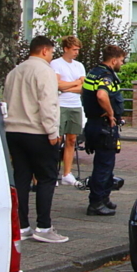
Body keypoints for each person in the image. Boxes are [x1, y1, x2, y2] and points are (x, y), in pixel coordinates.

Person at [5, 35, 68, 243]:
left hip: (14, 131)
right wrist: (53, 132)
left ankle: (22, 226)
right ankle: (43, 226)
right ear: (44, 51)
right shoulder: (45, 71)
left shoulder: (14, 72)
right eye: (51, 52)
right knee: (47, 178)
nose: (51, 56)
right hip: (38, 132)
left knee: (21, 178)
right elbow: (47, 103)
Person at [81, 45, 126, 216]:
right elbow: (101, 95)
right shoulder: (106, 76)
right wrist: (111, 113)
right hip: (103, 125)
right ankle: (96, 203)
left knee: (106, 164)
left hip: (93, 123)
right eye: (121, 60)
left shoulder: (93, 72)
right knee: (103, 165)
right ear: (114, 60)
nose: (122, 64)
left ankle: (104, 197)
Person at [50, 36, 86, 186]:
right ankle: (52, 173)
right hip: (61, 105)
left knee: (71, 139)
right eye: (74, 49)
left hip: (75, 105)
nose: (76, 52)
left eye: (78, 50)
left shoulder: (79, 66)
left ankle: (67, 173)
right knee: (57, 139)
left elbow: (83, 87)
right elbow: (57, 84)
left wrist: (69, 86)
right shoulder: (56, 64)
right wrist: (75, 83)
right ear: (66, 49)